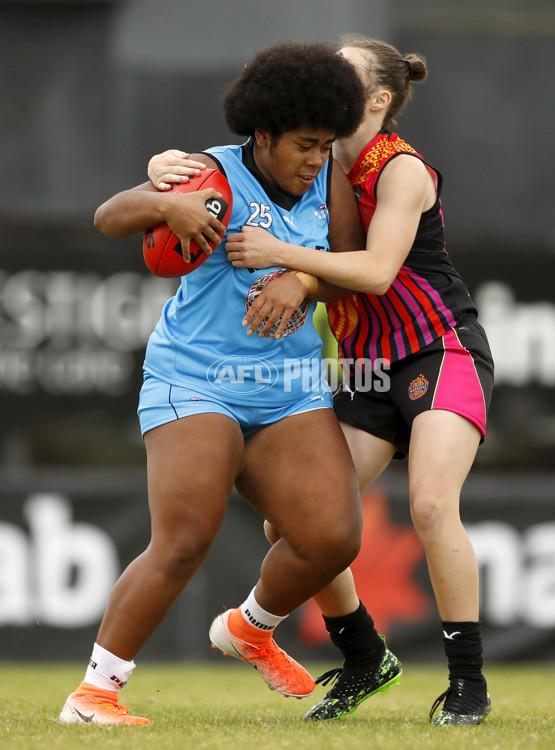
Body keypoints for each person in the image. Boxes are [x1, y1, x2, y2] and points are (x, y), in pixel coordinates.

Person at [148, 33, 494, 727]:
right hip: (366, 363)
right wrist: (162, 168)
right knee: (298, 521)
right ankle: (366, 655)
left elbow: (374, 272)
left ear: (378, 100)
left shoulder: (400, 170)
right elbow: (251, 185)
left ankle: (467, 683)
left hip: (437, 351)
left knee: (430, 505)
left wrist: (284, 260)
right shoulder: (319, 156)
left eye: (343, 73)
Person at [58, 41, 369, 726]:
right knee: (184, 536)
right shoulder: (209, 174)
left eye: (326, 145)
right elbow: (110, 216)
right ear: (263, 134)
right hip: (197, 378)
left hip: (288, 385)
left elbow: (352, 262)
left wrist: (305, 275)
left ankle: (252, 628)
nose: (316, 160)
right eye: (304, 145)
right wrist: (165, 207)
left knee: (332, 538)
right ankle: (94, 695)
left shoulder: (329, 182)